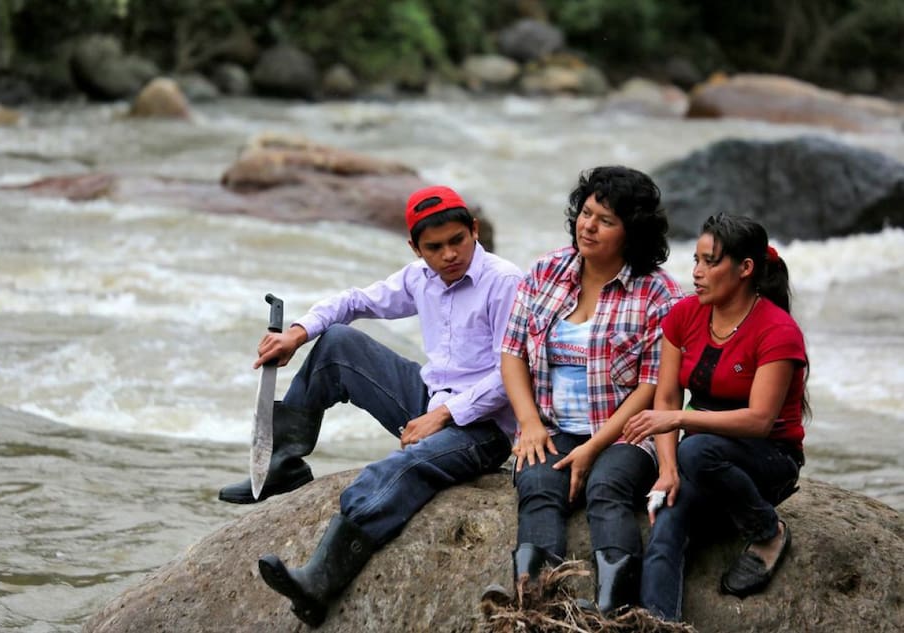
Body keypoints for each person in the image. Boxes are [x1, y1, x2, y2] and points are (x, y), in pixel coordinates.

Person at [236, 185, 522, 627]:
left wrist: (443, 416)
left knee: (396, 469)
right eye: (434, 247)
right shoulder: (418, 277)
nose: (448, 255)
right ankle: (283, 463)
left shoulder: (504, 282)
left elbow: (513, 372)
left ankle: (319, 580)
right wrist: (297, 331)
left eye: (457, 241)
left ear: (474, 231)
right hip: (430, 400)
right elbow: (354, 301)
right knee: (337, 343)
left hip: (483, 428)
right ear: (415, 248)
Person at [483, 166, 683, 614]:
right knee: (537, 483)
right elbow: (512, 352)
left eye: (606, 220)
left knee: (607, 488)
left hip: (626, 432)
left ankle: (615, 613)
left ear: (631, 234)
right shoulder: (548, 271)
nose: (588, 226)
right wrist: (530, 425)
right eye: (586, 213)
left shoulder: (659, 294)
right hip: (553, 425)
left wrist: (593, 448)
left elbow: (652, 385)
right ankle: (533, 609)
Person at [623, 213, 808, 622]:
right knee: (666, 523)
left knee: (699, 451)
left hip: (768, 459)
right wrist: (667, 469)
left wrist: (678, 424)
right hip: (699, 457)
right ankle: (657, 625)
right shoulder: (685, 315)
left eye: (710, 262)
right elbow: (668, 396)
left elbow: (760, 421)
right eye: (696, 260)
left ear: (745, 269)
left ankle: (767, 531)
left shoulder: (778, 331)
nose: (696, 273)